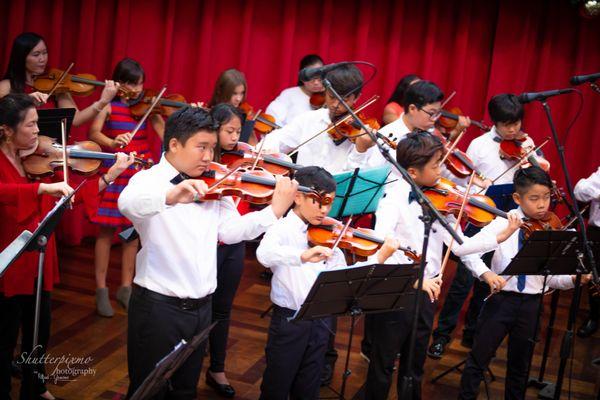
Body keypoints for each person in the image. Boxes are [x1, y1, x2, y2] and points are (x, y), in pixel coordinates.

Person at [118, 106, 297, 399]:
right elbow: (128, 204)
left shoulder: (216, 182)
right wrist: (171, 195)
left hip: (202, 309)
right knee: (148, 391)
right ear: (174, 144)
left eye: (212, 148)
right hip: (158, 309)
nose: (208, 157)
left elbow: (228, 232)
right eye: (201, 147)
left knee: (186, 390)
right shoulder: (149, 180)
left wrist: (274, 211)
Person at [363, 130, 521, 400]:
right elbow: (382, 249)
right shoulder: (392, 201)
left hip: (427, 292)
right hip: (396, 290)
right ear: (412, 172)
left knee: (414, 364)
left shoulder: (440, 199)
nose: (442, 171)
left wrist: (497, 236)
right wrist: (414, 280)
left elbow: (458, 246)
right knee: (383, 363)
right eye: (436, 166)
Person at [0, 93, 133, 400]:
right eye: (31, 124)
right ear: (7, 129)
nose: (37, 131)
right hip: (9, 258)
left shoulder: (37, 160)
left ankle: (36, 386)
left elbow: (77, 194)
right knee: (5, 333)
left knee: (39, 328)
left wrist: (112, 173)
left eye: (37, 124)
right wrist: (42, 187)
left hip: (39, 254)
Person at [257, 166, 400, 399]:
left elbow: (345, 278)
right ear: (298, 196)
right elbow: (264, 255)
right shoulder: (282, 228)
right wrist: (301, 256)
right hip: (290, 321)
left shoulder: (330, 233)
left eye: (329, 203)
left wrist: (378, 258)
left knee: (309, 387)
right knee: (276, 386)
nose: (324, 210)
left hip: (322, 320)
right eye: (317, 202)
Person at [427, 93, 551, 358]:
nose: (514, 129)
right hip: (481, 217)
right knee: (462, 282)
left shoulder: (526, 142)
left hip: (513, 222)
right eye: (508, 124)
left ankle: (474, 332)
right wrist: (481, 186)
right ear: (495, 122)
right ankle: (442, 335)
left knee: (490, 283)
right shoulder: (479, 145)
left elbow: (540, 178)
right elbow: (464, 184)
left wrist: (530, 159)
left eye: (517, 123)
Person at [458, 166, 591, 399]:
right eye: (534, 199)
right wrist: (486, 274)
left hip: (532, 305)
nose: (542, 205)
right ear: (518, 198)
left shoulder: (551, 227)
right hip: (500, 302)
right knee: (478, 360)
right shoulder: (502, 222)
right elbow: (467, 252)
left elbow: (553, 278)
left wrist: (573, 280)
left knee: (520, 367)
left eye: (547, 197)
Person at [88, 58, 165, 317]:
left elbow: (166, 135)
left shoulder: (147, 108)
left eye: (140, 83)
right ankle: (101, 289)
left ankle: (125, 288)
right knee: (106, 233)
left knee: (132, 234)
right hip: (117, 173)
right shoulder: (109, 105)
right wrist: (113, 140)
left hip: (139, 175)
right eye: (131, 84)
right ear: (119, 83)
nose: (137, 89)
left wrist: (167, 115)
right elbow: (94, 133)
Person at [204, 103, 247, 397]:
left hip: (233, 244)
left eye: (238, 132)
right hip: (205, 244)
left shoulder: (239, 160)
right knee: (198, 307)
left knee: (222, 308)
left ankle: (216, 368)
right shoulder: (200, 163)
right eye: (229, 131)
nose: (234, 137)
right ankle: (184, 367)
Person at [261, 63, 375, 174]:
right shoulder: (308, 119)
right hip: (301, 190)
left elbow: (354, 179)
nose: (335, 104)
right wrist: (266, 149)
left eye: (344, 100)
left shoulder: (361, 135)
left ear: (356, 98)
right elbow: (277, 138)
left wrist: (360, 151)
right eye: (331, 97)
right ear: (325, 91)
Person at [0, 32, 119, 125]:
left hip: (52, 148)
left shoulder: (56, 85)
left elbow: (76, 119)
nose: (42, 59)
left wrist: (103, 101)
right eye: (36, 55)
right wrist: (26, 100)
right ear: (21, 57)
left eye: (45, 53)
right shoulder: (7, 86)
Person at [574, 166, 600, 338]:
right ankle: (595, 316)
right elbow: (579, 191)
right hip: (598, 232)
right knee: (595, 278)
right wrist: (597, 192)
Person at [266, 54, 325, 126]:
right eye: (310, 76)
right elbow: (273, 116)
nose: (316, 82)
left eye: (319, 76)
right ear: (302, 77)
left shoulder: (330, 95)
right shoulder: (289, 94)